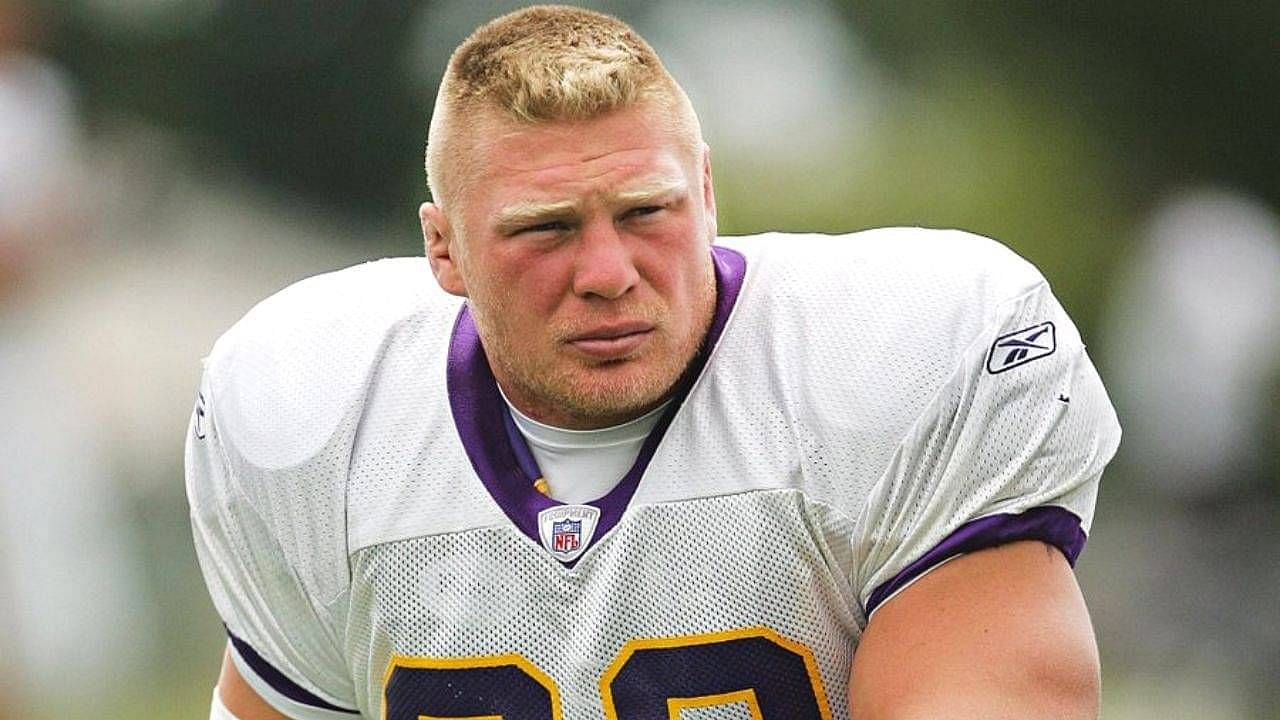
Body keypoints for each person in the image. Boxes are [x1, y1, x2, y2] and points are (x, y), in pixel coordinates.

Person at [187, 6, 1121, 719]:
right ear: (446, 250)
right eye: (544, 230)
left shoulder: (904, 355)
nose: (607, 273)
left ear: (706, 196)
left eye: (645, 212)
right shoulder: (314, 408)